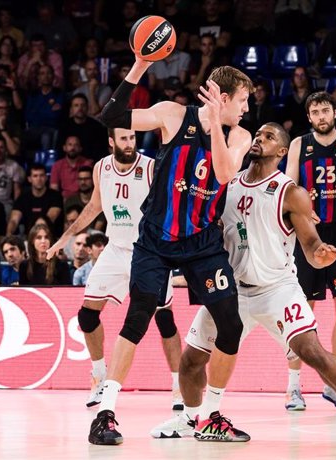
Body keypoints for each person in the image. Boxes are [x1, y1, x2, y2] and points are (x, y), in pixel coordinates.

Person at [150, 122, 336, 442]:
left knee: (311, 350)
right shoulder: (229, 183)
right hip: (233, 289)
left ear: (281, 151)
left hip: (277, 288)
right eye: (258, 134)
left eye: (269, 137)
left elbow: (310, 244)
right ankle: (191, 420)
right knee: (191, 359)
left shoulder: (291, 193)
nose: (259, 139)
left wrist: (321, 254)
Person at [89, 61, 253, 445]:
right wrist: (140, 65)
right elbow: (110, 115)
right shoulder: (173, 114)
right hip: (156, 240)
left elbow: (226, 172)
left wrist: (215, 123)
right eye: (242, 100)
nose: (246, 108)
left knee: (231, 324)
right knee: (138, 317)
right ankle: (104, 414)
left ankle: (209, 416)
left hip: (203, 245)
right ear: (224, 96)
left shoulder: (239, 135)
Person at [48, 128, 184, 410]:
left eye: (133, 138)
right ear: (111, 141)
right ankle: (98, 374)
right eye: (123, 138)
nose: (129, 143)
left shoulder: (149, 167)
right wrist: (63, 238)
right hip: (115, 250)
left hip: (147, 253)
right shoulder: (101, 168)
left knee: (165, 320)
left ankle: (178, 385)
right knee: (86, 316)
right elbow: (93, 207)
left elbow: (170, 206)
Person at [285, 91, 336, 411]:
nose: (321, 116)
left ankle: (334, 384)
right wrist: (301, 207)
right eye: (315, 112)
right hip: (309, 235)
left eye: (325, 110)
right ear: (309, 117)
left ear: (335, 112)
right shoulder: (300, 144)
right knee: (304, 311)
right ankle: (293, 387)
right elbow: (287, 189)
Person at [6, 164, 63, 237]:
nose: (39, 179)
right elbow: (14, 220)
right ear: (29, 179)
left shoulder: (55, 196)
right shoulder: (23, 198)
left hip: (51, 237)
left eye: (41, 175)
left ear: (46, 178)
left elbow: (48, 220)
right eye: (35, 176)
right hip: (29, 238)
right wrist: (9, 234)